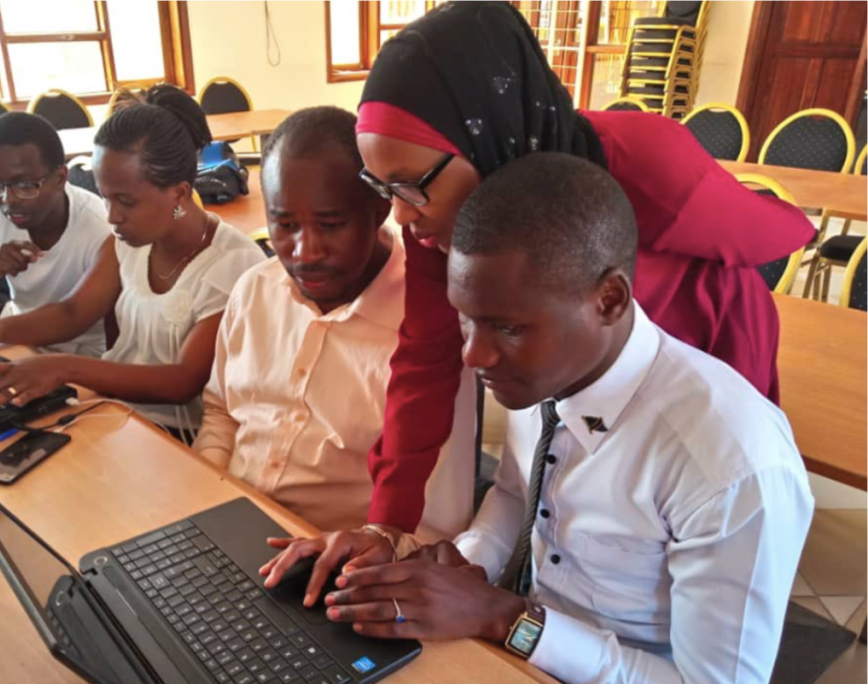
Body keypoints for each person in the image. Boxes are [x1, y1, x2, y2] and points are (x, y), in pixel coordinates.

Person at [268, 0, 817, 571]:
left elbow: (740, 244)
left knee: (692, 497)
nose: (401, 217)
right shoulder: (434, 213)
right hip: (596, 336)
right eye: (385, 189)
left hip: (700, 320)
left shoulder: (640, 161)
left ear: (482, 134)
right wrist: (387, 523)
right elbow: (425, 360)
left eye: (410, 185)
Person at [312, 152, 813, 684]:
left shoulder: (730, 465)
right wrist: (470, 562)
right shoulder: (546, 375)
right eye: (466, 320)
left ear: (609, 300)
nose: (472, 356)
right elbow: (513, 494)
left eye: (506, 328)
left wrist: (506, 618)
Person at [195, 107, 473, 540]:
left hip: (330, 563)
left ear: (383, 207)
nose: (305, 251)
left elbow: (434, 526)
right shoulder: (254, 289)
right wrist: (199, 501)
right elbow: (221, 413)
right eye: (284, 225)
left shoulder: (429, 340)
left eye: (330, 224)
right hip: (227, 523)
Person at [0, 85, 265, 439]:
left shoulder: (234, 263)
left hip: (181, 437)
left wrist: (62, 368)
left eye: (126, 201)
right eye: (105, 198)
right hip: (117, 415)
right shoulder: (131, 241)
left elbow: (181, 382)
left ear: (179, 193)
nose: (112, 216)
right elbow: (73, 313)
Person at [0, 112, 107, 355]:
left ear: (59, 178)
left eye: (25, 185)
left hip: (80, 354)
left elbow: (72, 316)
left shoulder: (99, 224)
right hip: (16, 341)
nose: (7, 199)